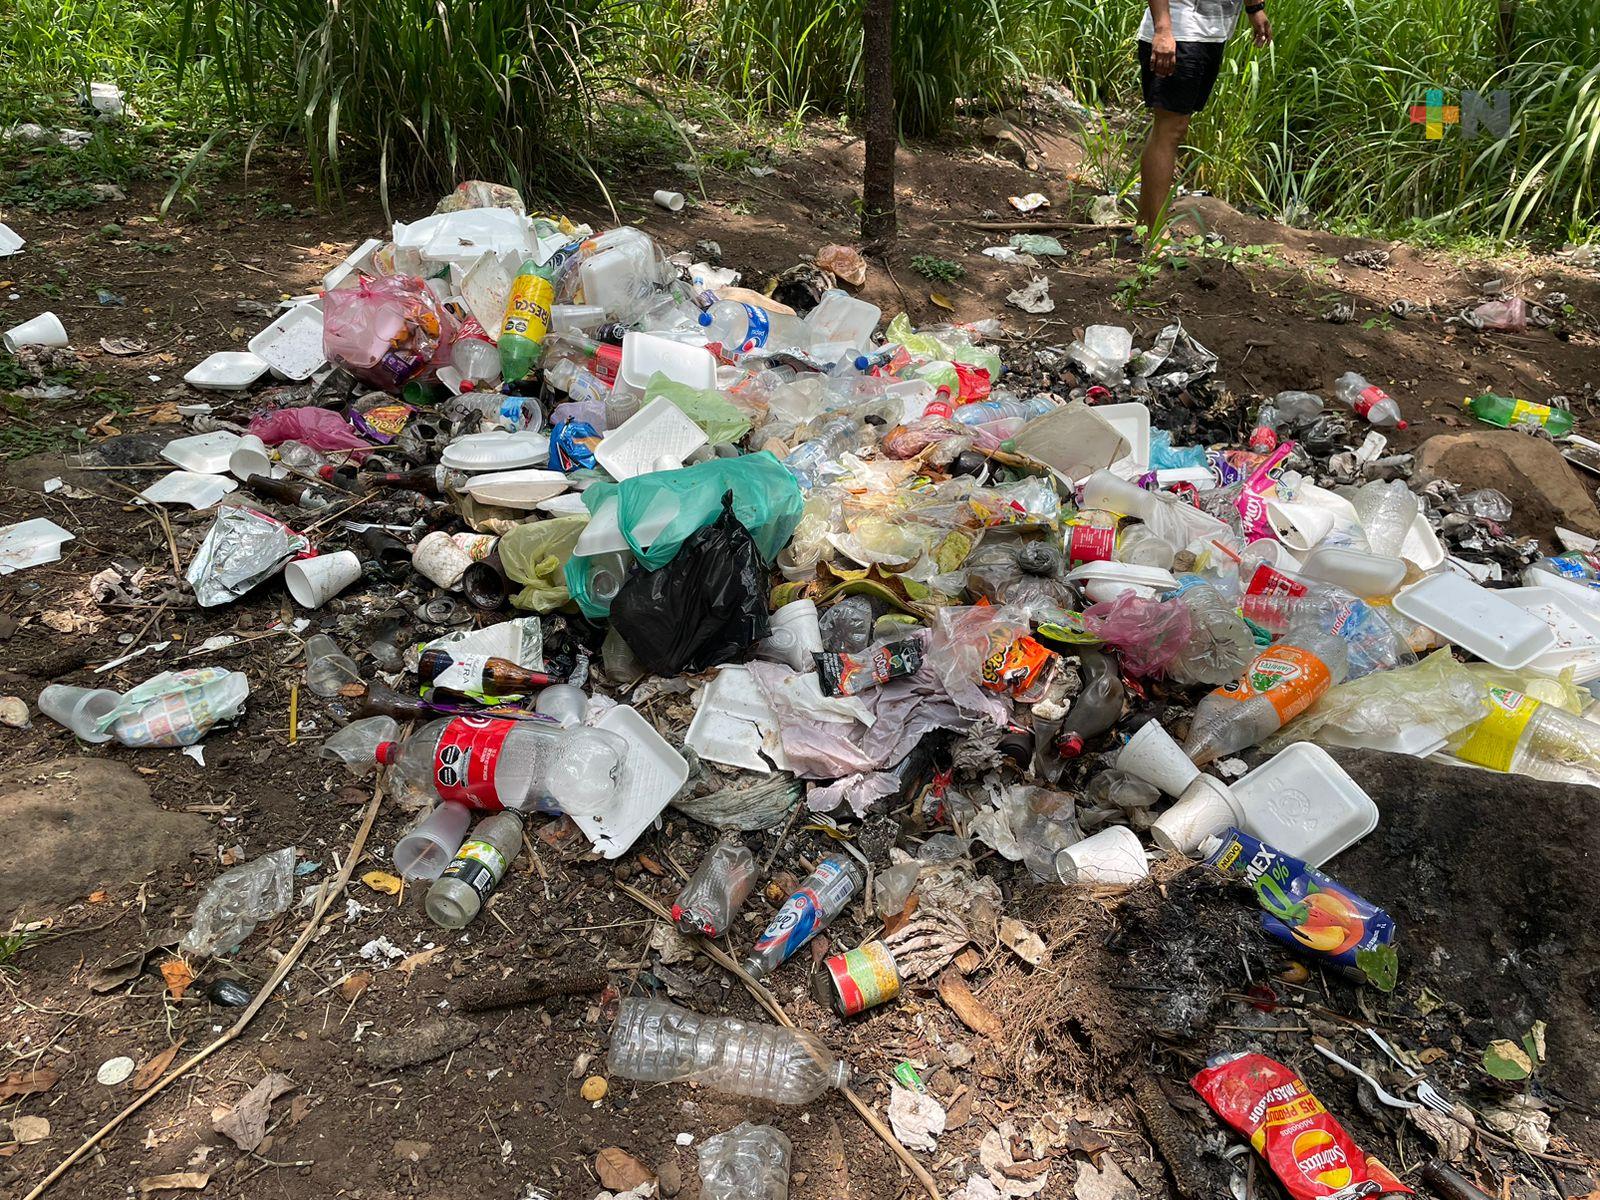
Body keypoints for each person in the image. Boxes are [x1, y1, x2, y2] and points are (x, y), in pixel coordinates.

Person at [1136, 0, 1271, 247]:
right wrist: (1163, 30)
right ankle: (1155, 235)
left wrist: (1254, 8)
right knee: (1170, 130)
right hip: (1179, 32)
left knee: (1169, 129)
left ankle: (1144, 226)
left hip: (1210, 34)